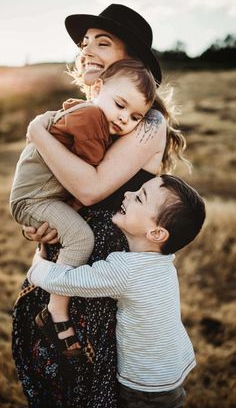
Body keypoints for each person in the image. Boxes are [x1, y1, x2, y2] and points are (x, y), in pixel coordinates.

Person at [12, 4, 188, 408]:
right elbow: (57, 190)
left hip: (107, 276)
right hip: (70, 261)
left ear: (132, 60)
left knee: (94, 400)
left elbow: (91, 190)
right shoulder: (94, 113)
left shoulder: (148, 122)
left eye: (102, 41)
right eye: (85, 41)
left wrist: (36, 130)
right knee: (56, 401)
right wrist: (38, 223)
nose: (87, 48)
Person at [27, 174, 206, 408]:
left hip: (145, 388)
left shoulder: (125, 271)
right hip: (173, 373)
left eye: (139, 197)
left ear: (156, 233)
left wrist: (37, 264)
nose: (127, 195)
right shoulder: (164, 260)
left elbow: (64, 281)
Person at [10, 58, 156, 356]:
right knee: (80, 238)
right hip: (38, 198)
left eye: (135, 116)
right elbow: (90, 178)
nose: (124, 119)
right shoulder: (91, 118)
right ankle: (55, 311)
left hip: (41, 196)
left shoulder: (94, 114)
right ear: (98, 88)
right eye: (120, 105)